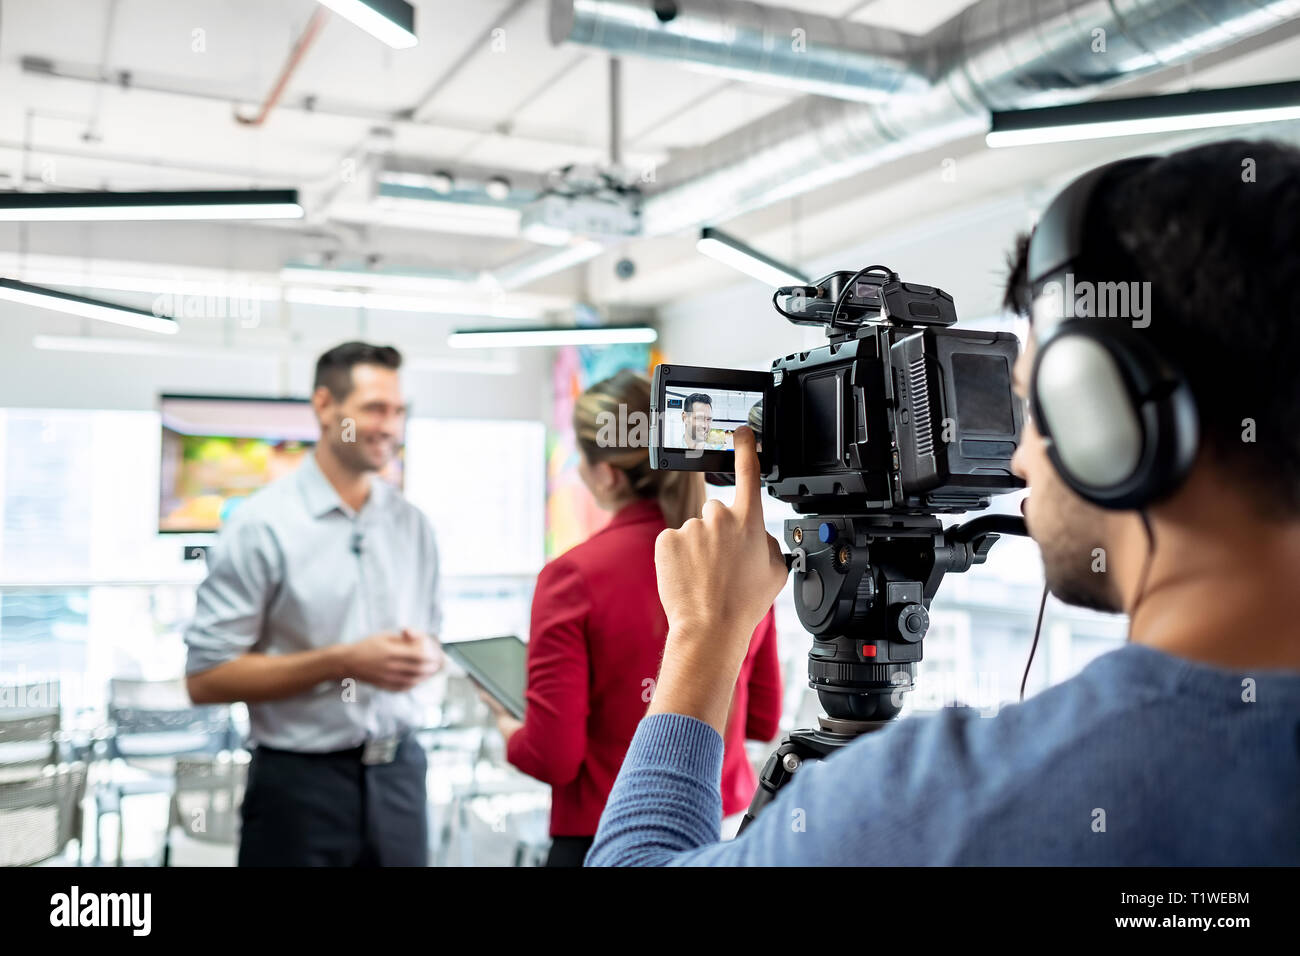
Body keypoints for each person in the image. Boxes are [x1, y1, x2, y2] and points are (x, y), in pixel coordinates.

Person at [587, 139, 1300, 865]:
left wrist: (705, 633)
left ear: (1108, 417)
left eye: (1032, 405)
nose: (1019, 459)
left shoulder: (933, 807)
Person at [478, 369, 782, 866]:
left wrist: (510, 727)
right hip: (729, 836)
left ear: (608, 473)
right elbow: (763, 719)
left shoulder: (571, 577)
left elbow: (554, 756)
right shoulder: (736, 565)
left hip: (606, 840)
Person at [185, 341, 444, 867]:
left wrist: (428, 658)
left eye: (398, 411)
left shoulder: (412, 525)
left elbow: (435, 641)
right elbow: (206, 678)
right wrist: (343, 662)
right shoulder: (260, 525)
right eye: (374, 409)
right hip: (299, 790)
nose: (391, 427)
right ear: (325, 406)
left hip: (401, 777)